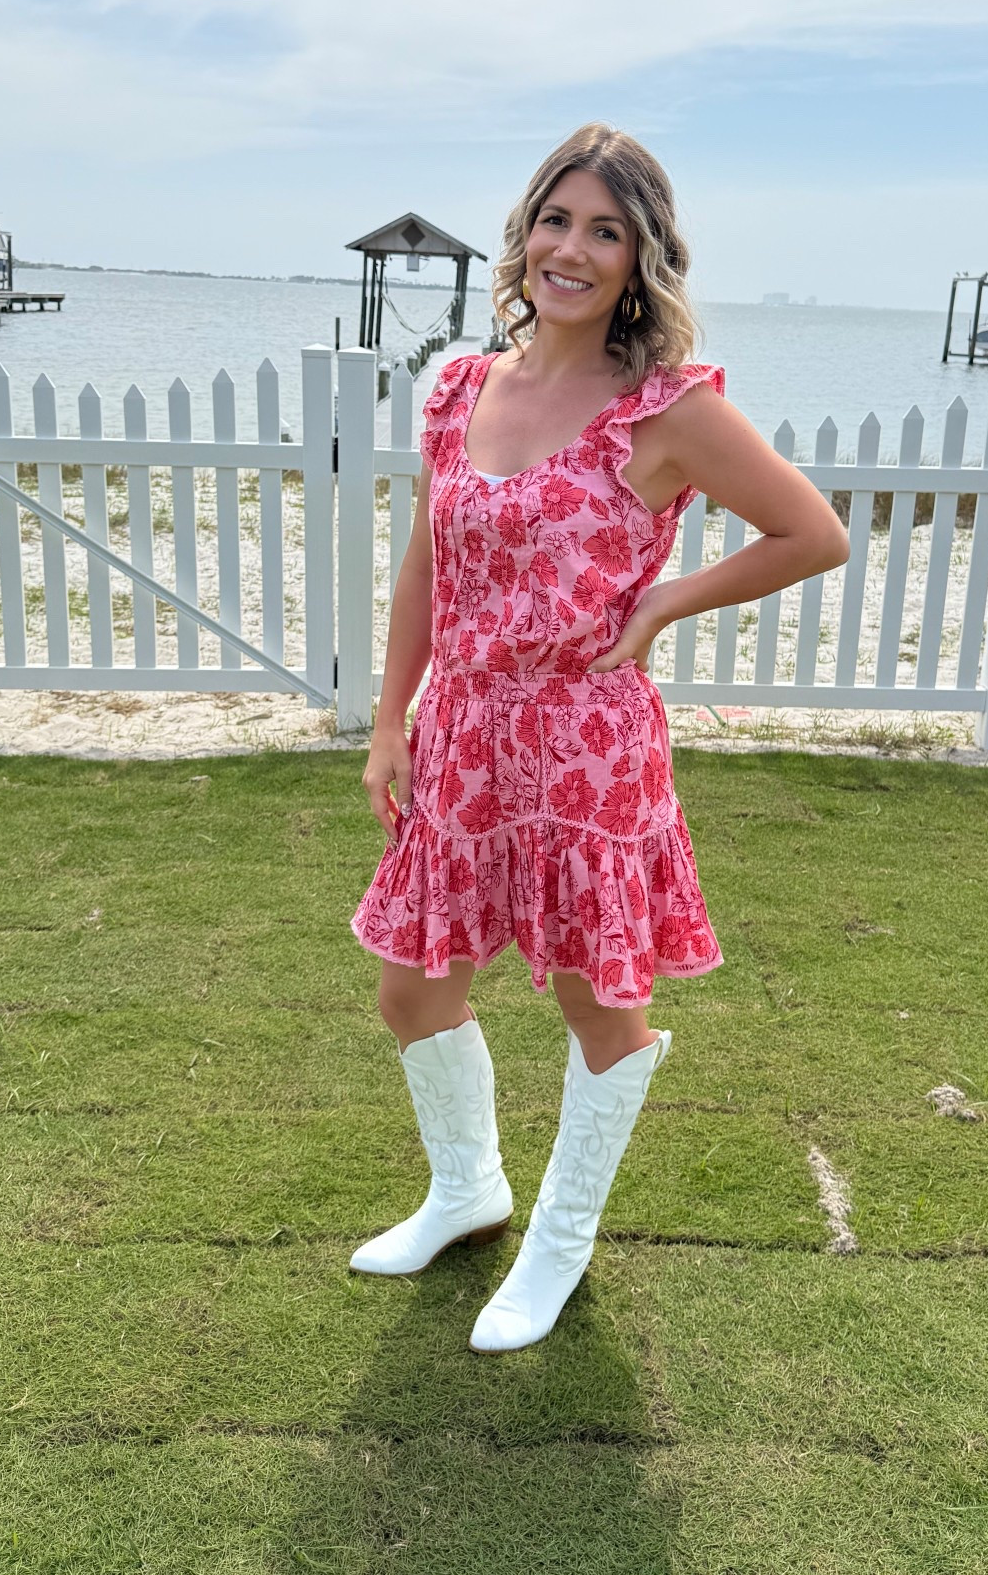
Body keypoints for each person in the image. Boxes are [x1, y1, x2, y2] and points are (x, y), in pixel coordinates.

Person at [349, 122, 850, 1353]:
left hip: (585, 743)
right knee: (412, 989)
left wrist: (666, 599)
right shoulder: (462, 387)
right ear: (524, 234)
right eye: (556, 220)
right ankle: (468, 1188)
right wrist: (391, 717)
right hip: (464, 731)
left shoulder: (667, 408)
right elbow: (427, 563)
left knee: (597, 1004)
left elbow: (813, 532)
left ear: (641, 257)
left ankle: (560, 1238)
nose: (571, 249)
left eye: (606, 230)